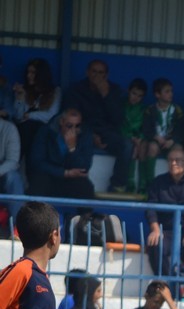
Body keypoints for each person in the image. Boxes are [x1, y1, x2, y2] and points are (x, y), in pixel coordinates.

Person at [64, 60, 131, 192]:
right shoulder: (76, 89)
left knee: (127, 145)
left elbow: (118, 120)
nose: (97, 76)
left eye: (101, 73)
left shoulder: (114, 90)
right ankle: (77, 185)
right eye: (94, 71)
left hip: (107, 132)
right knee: (79, 142)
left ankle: (117, 185)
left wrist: (106, 95)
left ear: (106, 75)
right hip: (83, 131)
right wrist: (91, 136)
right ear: (87, 72)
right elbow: (70, 118)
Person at [145, 145, 184, 280]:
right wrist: (155, 230)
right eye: (170, 160)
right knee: (155, 245)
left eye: (178, 160)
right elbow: (150, 208)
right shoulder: (158, 182)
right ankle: (166, 283)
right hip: (166, 231)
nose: (173, 163)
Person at [29, 108, 95, 203]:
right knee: (39, 181)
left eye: (77, 126)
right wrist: (64, 173)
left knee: (85, 186)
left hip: (72, 179)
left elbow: (84, 167)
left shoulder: (85, 135)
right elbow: (37, 162)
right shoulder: (46, 131)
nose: (73, 130)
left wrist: (72, 149)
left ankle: (85, 213)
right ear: (61, 122)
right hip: (50, 175)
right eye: (69, 126)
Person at [140, 77, 184, 194]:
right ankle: (149, 183)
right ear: (157, 94)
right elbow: (146, 129)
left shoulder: (177, 110)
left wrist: (172, 140)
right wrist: (156, 137)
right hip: (156, 140)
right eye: (167, 91)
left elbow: (181, 130)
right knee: (152, 147)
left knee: (179, 150)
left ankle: (177, 184)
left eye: (171, 91)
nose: (171, 94)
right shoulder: (150, 110)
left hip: (171, 142)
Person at [10, 58, 61, 158]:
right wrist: (20, 98)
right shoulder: (24, 89)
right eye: (28, 72)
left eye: (33, 73)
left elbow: (51, 115)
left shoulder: (55, 91)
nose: (29, 76)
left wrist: (30, 115)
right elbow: (18, 117)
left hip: (43, 130)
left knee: (32, 128)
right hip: (24, 131)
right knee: (24, 128)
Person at [121, 78, 147, 193]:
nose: (135, 98)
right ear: (128, 91)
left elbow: (146, 127)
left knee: (141, 146)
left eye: (139, 96)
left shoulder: (144, 109)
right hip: (123, 136)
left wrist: (140, 137)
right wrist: (130, 137)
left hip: (138, 139)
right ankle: (130, 182)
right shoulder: (121, 105)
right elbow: (118, 125)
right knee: (133, 148)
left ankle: (142, 184)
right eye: (134, 93)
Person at [0, 116, 25, 221]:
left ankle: (16, 226)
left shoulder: (9, 129)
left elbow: (12, 162)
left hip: (2, 178)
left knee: (13, 178)